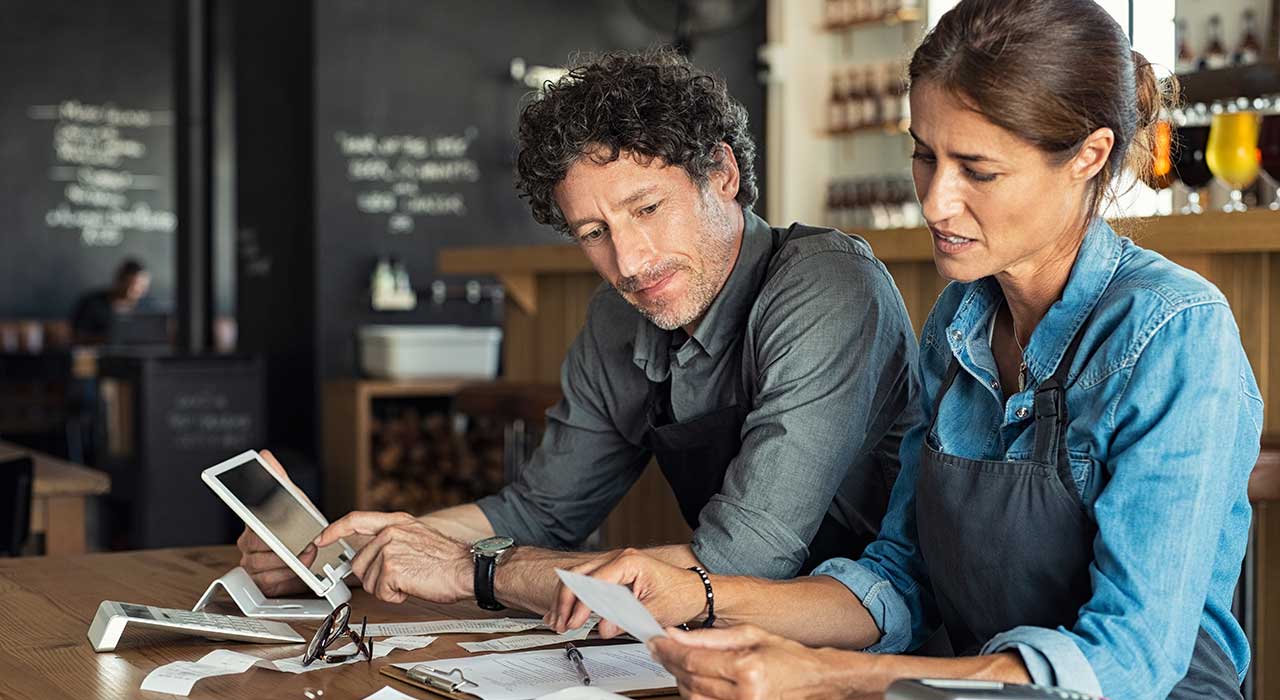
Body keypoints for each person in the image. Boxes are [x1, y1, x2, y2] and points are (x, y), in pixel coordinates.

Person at [551, 3, 1261, 699]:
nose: (935, 201)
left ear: (1089, 156)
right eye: (925, 155)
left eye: (977, 170)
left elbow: (1128, 661)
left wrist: (832, 676)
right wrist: (698, 594)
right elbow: (898, 579)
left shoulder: (1173, 331)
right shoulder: (960, 320)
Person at [238, 49, 920, 615]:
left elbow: (740, 562)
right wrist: (353, 548)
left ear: (722, 174)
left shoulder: (827, 288)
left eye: (647, 209)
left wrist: (473, 572)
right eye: (594, 233)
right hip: (734, 649)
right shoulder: (619, 316)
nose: (629, 262)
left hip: (880, 646)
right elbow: (541, 509)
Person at [69, 259, 151, 344]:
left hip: (136, 356)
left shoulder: (147, 307)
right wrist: (109, 338)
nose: (141, 290)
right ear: (121, 280)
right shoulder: (92, 303)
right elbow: (76, 336)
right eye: (136, 284)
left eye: (144, 286)